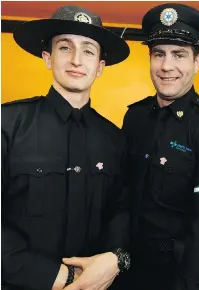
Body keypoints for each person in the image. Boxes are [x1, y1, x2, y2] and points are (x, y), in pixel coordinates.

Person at [1, 5, 131, 290]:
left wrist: (114, 258)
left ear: (99, 67)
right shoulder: (7, 124)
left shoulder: (115, 139)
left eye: (88, 50)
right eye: (64, 47)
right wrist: (58, 276)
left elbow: (120, 211)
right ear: (47, 58)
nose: (76, 60)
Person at [120, 3, 199, 290]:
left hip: (175, 276)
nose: (166, 66)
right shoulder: (135, 116)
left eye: (179, 55)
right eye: (158, 54)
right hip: (123, 267)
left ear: (197, 62)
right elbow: (120, 195)